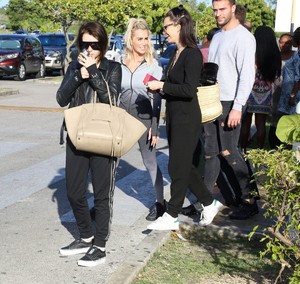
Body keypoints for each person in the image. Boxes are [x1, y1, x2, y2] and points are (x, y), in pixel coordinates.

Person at [146, 5, 222, 230]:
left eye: (167, 26)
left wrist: (162, 85)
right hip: (174, 116)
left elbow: (189, 89)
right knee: (181, 167)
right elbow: (175, 87)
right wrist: (160, 89)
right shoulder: (176, 53)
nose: (164, 31)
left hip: (188, 119)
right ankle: (209, 203)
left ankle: (171, 215)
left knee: (177, 168)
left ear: (179, 25)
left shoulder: (191, 53)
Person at [56, 21, 122, 267]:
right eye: (85, 44)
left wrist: (93, 72)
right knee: (74, 192)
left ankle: (100, 246)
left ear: (103, 45)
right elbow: (61, 98)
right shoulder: (74, 66)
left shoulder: (112, 68)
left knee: (103, 195)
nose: (90, 49)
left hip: (103, 136)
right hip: (77, 135)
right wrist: (77, 75)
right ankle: (86, 236)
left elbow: (112, 99)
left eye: (95, 44)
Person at [204, 0, 258, 220]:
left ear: (233, 8)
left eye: (222, 9)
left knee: (229, 152)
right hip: (212, 101)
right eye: (215, 10)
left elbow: (247, 75)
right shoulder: (217, 36)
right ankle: (205, 201)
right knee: (210, 153)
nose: (218, 14)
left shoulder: (244, 37)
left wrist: (237, 107)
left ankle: (250, 200)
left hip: (231, 103)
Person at [119, 18, 165, 221]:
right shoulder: (119, 64)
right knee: (109, 162)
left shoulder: (153, 66)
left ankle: (160, 203)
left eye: (146, 38)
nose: (144, 42)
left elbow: (157, 100)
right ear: (130, 39)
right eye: (140, 38)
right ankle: (102, 205)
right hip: (121, 119)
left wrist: (154, 127)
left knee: (150, 162)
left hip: (145, 120)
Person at [240, 26, 281, 152]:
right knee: (261, 124)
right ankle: (260, 151)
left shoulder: (252, 50)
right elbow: (277, 74)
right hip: (266, 91)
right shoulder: (275, 53)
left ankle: (243, 149)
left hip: (249, 89)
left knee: (246, 122)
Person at [269, 33, 294, 148]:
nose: (283, 45)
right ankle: (274, 144)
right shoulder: (275, 56)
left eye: (287, 43)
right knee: (275, 119)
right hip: (275, 92)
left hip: (291, 93)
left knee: (288, 119)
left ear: (292, 43)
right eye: (281, 42)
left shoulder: (295, 57)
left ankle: (287, 145)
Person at [277, 27, 300, 117]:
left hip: (294, 94)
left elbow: (298, 78)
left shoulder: (298, 55)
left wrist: (292, 96)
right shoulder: (298, 53)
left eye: (293, 37)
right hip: (288, 92)